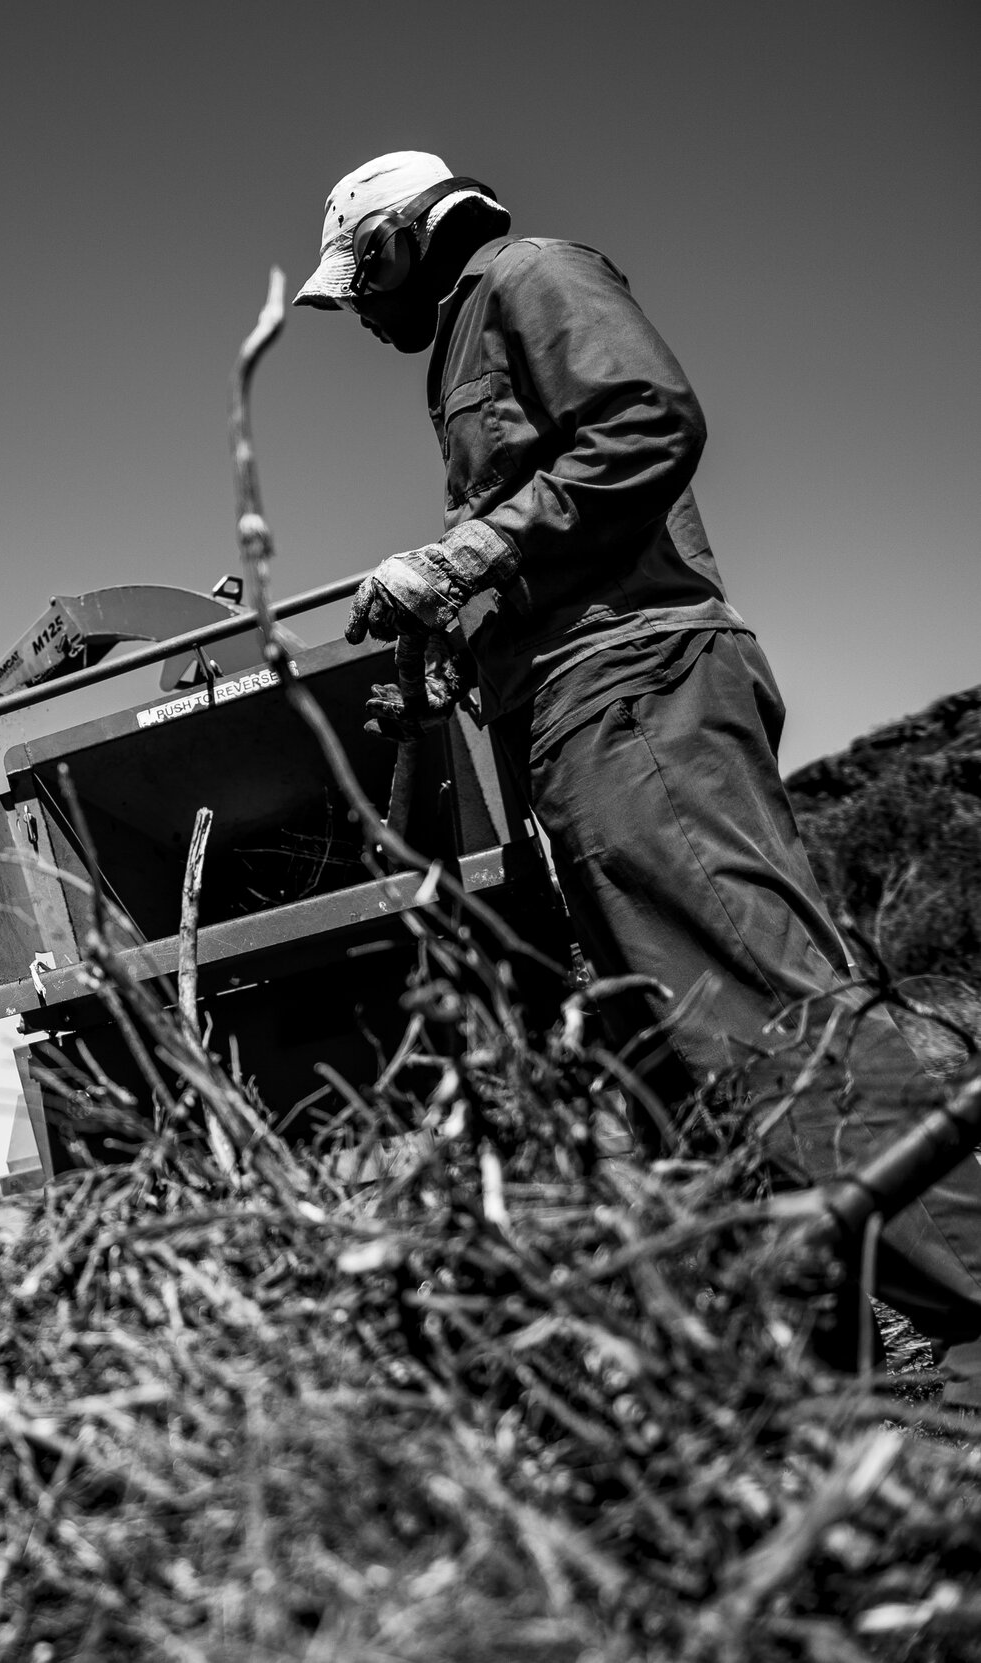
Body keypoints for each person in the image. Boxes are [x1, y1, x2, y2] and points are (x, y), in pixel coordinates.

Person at [295, 151, 981, 1398]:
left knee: (764, 1003)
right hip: (570, 706)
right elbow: (543, 520)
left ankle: (972, 1298)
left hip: (634, 684)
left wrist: (463, 555)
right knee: (675, 1042)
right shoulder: (463, 340)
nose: (367, 319)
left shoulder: (528, 274)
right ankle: (828, 1368)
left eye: (364, 286)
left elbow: (647, 422)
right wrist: (461, 622)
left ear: (398, 244)